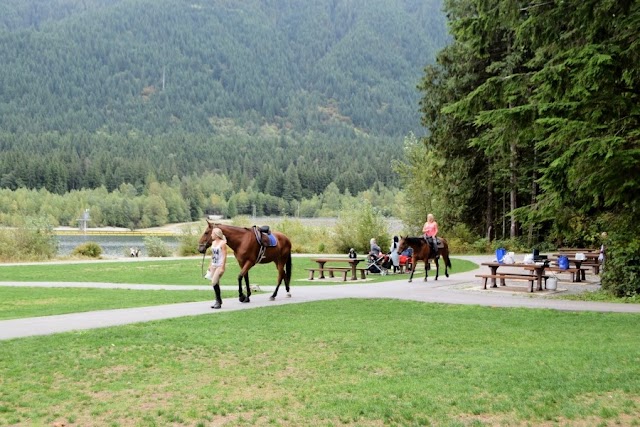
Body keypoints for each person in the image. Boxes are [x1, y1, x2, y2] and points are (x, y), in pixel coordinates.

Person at [204, 227, 228, 309]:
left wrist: (222, 267)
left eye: (212, 233)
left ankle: (218, 300)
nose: (211, 235)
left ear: (217, 235)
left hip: (219, 265)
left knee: (214, 282)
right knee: (216, 283)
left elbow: (224, 256)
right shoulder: (213, 243)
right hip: (214, 265)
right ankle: (218, 301)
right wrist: (210, 265)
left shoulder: (223, 243)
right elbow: (213, 255)